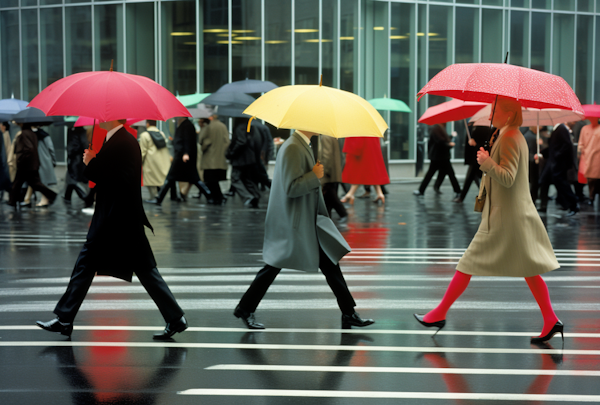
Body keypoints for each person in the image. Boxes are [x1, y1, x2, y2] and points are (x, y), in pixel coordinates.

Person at [414, 97, 563, 344]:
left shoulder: (511, 137)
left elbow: (507, 177)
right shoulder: (506, 134)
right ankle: (551, 320)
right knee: (529, 271)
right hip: (506, 216)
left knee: (468, 262)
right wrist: (488, 159)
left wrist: (487, 163)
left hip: (505, 218)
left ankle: (438, 314)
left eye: (495, 109)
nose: (490, 112)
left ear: (508, 113)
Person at [36, 119, 187, 340]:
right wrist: (95, 162)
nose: (100, 116)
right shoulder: (115, 139)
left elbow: (120, 180)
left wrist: (93, 163)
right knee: (115, 267)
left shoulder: (125, 141)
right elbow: (111, 176)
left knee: (127, 268)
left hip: (118, 219)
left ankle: (65, 319)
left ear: (114, 117)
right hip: (116, 218)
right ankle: (65, 319)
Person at [233, 129, 375, 330]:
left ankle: (348, 312)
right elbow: (291, 188)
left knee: (329, 264)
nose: (320, 126)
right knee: (273, 265)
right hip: (296, 221)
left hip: (306, 219)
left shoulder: (301, 145)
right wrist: (314, 175)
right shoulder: (292, 147)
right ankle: (245, 308)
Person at [146, 117, 210, 206]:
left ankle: (159, 199)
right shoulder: (184, 124)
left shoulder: (186, 125)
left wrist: (186, 153)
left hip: (182, 156)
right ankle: (209, 196)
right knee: (189, 178)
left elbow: (187, 140)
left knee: (172, 178)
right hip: (182, 156)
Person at [7, 123, 57, 208]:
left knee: (19, 183)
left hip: (25, 165)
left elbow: (28, 149)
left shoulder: (24, 134)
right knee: (32, 183)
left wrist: (20, 158)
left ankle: (13, 201)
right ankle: (13, 201)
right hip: (32, 164)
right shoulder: (32, 134)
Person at [538, 122, 579, 216]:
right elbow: (554, 146)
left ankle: (573, 204)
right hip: (556, 163)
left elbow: (566, 145)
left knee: (562, 184)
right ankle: (568, 204)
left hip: (559, 164)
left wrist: (557, 156)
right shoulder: (558, 129)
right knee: (558, 183)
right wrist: (543, 153)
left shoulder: (561, 129)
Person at [413, 124, 461, 198]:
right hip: (438, 156)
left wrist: (450, 138)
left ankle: (424, 190)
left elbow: (443, 140)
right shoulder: (436, 129)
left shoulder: (440, 128)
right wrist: (449, 144)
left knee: (443, 173)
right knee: (446, 174)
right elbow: (440, 141)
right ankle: (457, 191)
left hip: (441, 156)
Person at [340, 136, 389, 204]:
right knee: (371, 172)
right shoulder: (371, 128)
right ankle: (380, 193)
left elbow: (357, 140)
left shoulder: (361, 128)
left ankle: (350, 194)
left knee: (359, 173)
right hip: (370, 149)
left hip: (363, 150)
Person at [226, 118, 261, 208]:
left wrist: (231, 152)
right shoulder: (251, 127)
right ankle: (255, 196)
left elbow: (241, 141)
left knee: (235, 178)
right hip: (249, 158)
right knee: (247, 179)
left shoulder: (240, 127)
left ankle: (248, 197)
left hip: (240, 158)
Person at [454, 125, 491, 203]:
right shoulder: (472, 126)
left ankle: (463, 197)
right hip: (474, 158)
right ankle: (483, 195)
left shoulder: (484, 128)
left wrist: (475, 144)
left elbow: (486, 143)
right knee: (474, 178)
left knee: (472, 177)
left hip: (478, 158)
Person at [199, 114, 230, 205]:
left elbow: (202, 140)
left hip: (209, 159)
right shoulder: (223, 126)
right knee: (215, 180)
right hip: (220, 158)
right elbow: (227, 141)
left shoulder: (208, 127)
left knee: (210, 180)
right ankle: (219, 197)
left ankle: (217, 197)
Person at [139, 120, 171, 200]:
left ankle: (154, 197)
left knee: (150, 181)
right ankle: (158, 196)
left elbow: (142, 151)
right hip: (161, 161)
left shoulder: (144, 135)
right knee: (159, 180)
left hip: (150, 161)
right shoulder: (162, 133)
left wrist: (139, 161)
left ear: (148, 124)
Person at [319, 135, 347, 221]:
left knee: (331, 197)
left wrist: (324, 171)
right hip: (332, 173)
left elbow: (326, 155)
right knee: (328, 200)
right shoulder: (332, 136)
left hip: (328, 175)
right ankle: (328, 218)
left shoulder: (325, 136)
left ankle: (343, 214)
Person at [63, 126, 89, 204]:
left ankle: (84, 197)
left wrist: (70, 153)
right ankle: (67, 197)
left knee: (72, 180)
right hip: (80, 160)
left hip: (76, 161)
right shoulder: (85, 133)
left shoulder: (76, 133)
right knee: (70, 179)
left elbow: (73, 148)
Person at [578, 117, 600, 201]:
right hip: (587, 157)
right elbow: (581, 143)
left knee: (596, 178)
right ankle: (592, 195)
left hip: (597, 158)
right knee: (590, 178)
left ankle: (593, 195)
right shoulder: (584, 129)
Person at [523, 126, 542, 202]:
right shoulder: (532, 137)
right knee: (533, 183)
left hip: (529, 163)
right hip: (531, 164)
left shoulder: (528, 135)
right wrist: (534, 157)